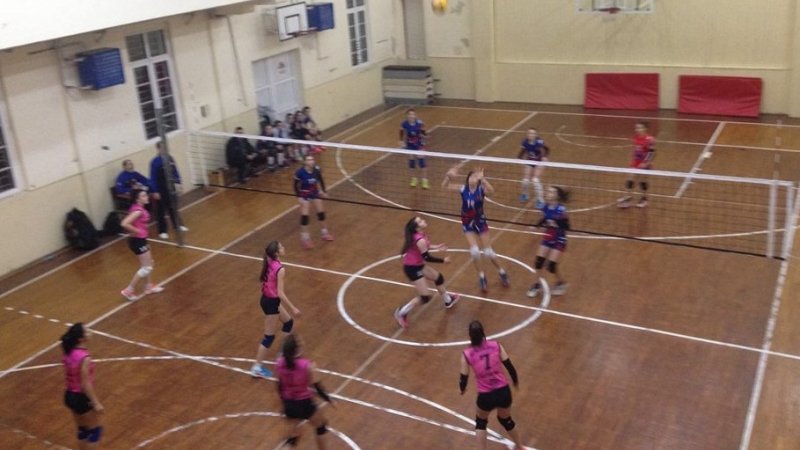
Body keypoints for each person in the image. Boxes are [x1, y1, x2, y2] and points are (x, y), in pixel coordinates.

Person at [442, 166, 509, 293]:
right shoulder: (463, 189)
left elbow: (492, 192)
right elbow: (445, 186)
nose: (472, 178)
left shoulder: (481, 189)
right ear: (467, 179)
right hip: (467, 221)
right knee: (474, 251)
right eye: (471, 176)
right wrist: (448, 176)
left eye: (475, 177)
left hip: (480, 221)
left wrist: (483, 179)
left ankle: (502, 272)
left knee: (488, 252)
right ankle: (482, 277)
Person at [460, 321, 524, 450]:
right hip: (503, 392)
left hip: (486, 396)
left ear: (470, 335)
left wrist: (462, 389)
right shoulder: (496, 346)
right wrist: (515, 381)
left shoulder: (467, 354)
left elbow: (463, 377)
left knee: (481, 422)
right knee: (506, 420)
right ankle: (520, 447)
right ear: (483, 332)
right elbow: (510, 367)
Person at [394, 216, 460, 328]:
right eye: (420, 221)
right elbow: (427, 257)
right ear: (417, 227)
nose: (423, 220)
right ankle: (401, 312)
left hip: (418, 265)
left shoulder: (420, 235)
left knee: (438, 278)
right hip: (412, 268)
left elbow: (424, 247)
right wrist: (443, 260)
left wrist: (436, 246)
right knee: (425, 297)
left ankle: (448, 300)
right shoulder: (420, 240)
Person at [251, 241, 302, 378]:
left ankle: (283, 354)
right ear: (276, 253)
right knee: (269, 337)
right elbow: (280, 293)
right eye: (281, 247)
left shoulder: (269, 260)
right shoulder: (280, 269)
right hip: (271, 303)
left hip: (267, 299)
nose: (284, 248)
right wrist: (293, 308)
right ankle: (256, 368)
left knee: (288, 323)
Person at [275, 334, 333, 449]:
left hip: (289, 403)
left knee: (294, 436)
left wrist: (284, 403)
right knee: (321, 426)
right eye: (301, 343)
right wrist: (329, 399)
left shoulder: (279, 363)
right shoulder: (308, 365)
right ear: (298, 349)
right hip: (304, 403)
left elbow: (279, 385)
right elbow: (317, 387)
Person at [61, 323, 104, 449]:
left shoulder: (68, 351)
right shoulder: (84, 358)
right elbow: (85, 384)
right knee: (94, 431)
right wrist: (96, 403)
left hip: (69, 395)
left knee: (82, 429)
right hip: (80, 397)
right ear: (81, 339)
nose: (90, 332)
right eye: (87, 332)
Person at [120, 189, 164, 300]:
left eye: (146, 195)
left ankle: (148, 287)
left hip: (141, 240)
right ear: (137, 199)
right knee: (146, 267)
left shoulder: (138, 208)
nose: (146, 197)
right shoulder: (138, 211)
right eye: (143, 196)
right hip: (137, 241)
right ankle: (128, 290)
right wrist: (136, 231)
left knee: (149, 263)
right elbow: (124, 223)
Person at [527, 186, 570, 298]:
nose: (547, 193)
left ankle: (561, 283)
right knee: (539, 262)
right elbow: (544, 219)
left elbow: (567, 226)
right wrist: (536, 226)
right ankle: (536, 285)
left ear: (557, 196)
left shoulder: (561, 210)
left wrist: (557, 224)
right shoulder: (545, 207)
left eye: (551, 192)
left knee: (551, 266)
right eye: (547, 191)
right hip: (548, 237)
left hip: (559, 239)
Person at [149, 141, 189, 240]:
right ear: (158, 149)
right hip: (160, 188)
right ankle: (162, 231)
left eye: (165, 147)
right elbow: (152, 177)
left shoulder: (170, 158)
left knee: (173, 207)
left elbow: (175, 171)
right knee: (161, 211)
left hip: (170, 187)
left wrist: (178, 182)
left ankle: (177, 225)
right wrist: (155, 191)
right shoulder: (155, 162)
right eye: (162, 148)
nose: (165, 149)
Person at [294, 155, 334, 249]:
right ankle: (305, 238)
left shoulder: (317, 169)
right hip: (304, 193)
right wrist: (299, 197)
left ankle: (324, 233)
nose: (311, 161)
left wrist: (323, 191)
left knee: (321, 213)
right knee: (305, 217)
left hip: (315, 192)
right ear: (305, 162)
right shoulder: (300, 172)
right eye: (309, 160)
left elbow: (321, 180)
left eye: (312, 159)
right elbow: (295, 185)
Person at [618, 121, 655, 208]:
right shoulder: (635, 137)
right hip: (635, 163)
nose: (637, 129)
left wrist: (645, 163)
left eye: (640, 128)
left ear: (645, 128)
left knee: (642, 181)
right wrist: (633, 160)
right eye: (636, 128)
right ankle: (628, 198)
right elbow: (636, 150)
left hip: (644, 164)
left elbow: (652, 153)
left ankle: (644, 199)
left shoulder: (650, 139)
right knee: (630, 179)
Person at [516, 128, 550, 207]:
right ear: (527, 134)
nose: (531, 135)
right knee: (525, 181)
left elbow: (547, 149)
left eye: (533, 133)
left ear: (536, 135)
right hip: (530, 161)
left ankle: (540, 199)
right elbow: (522, 151)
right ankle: (525, 194)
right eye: (529, 133)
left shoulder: (539, 142)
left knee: (535, 180)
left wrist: (545, 157)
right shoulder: (525, 142)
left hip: (539, 162)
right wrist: (518, 158)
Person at [398, 108, 429, 189]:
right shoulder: (404, 123)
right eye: (410, 114)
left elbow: (424, 134)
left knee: (421, 163)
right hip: (410, 145)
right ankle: (414, 179)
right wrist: (401, 141)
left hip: (420, 145)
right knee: (411, 162)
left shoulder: (419, 123)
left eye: (413, 114)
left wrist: (425, 137)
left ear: (415, 116)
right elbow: (401, 131)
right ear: (407, 115)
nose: (411, 116)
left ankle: (424, 180)